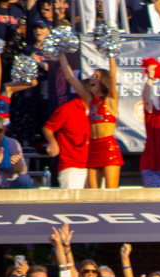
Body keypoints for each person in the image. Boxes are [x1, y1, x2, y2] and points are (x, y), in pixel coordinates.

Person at [58, 50, 122, 189]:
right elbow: (70, 78)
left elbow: (112, 76)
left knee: (111, 193)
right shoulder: (90, 99)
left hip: (108, 147)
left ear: (103, 81)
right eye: (93, 75)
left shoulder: (111, 100)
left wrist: (111, 56)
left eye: (97, 76)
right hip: (93, 148)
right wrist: (61, 54)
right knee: (93, 193)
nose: (92, 78)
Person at [42, 92, 91, 190]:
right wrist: (52, 142)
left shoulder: (98, 109)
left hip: (95, 166)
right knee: (73, 204)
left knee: (100, 202)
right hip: (72, 166)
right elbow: (48, 127)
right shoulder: (68, 109)